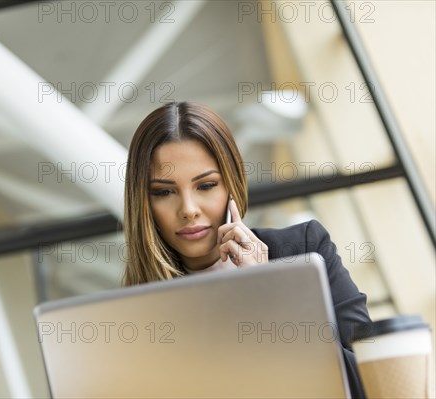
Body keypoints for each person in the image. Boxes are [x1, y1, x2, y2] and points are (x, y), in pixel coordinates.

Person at [122, 101, 371, 398]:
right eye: (164, 192)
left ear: (232, 185)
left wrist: (267, 293)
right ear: (144, 204)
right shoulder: (137, 315)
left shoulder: (305, 249)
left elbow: (369, 382)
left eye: (206, 185)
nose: (188, 210)